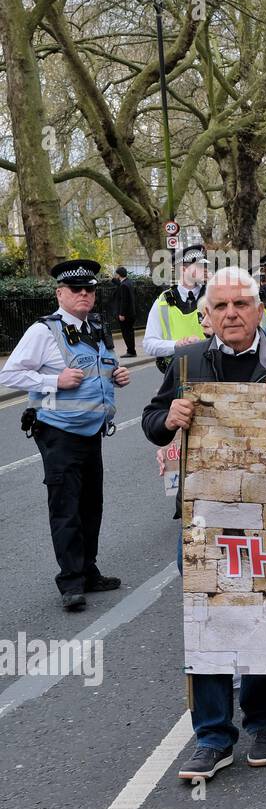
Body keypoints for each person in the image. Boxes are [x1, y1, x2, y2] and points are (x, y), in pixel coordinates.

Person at [141, 266, 266, 781]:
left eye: (240, 304)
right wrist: (168, 417)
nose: (231, 314)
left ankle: (263, 721)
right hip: (205, 519)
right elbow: (152, 423)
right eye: (220, 307)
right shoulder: (188, 360)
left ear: (259, 309)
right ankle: (213, 736)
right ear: (208, 315)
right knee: (208, 621)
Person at [1, 260, 130, 611]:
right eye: (77, 290)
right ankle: (71, 582)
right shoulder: (44, 331)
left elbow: (98, 368)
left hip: (91, 433)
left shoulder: (97, 327)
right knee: (66, 508)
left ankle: (88, 571)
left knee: (91, 506)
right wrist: (52, 381)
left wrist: (115, 376)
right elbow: (9, 373)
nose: (85, 295)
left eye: (90, 289)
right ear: (60, 293)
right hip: (58, 433)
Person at [143, 242, 208, 371]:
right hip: (176, 373)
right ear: (183, 269)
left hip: (209, 368)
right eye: (200, 266)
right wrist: (177, 344)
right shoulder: (162, 302)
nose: (205, 269)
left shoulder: (212, 296)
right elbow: (149, 344)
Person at [110, 267, 137, 357]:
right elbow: (120, 284)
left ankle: (131, 351)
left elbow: (124, 301)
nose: (115, 275)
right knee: (130, 332)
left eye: (116, 274)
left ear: (119, 274)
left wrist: (122, 314)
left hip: (125, 315)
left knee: (126, 333)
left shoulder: (124, 286)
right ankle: (132, 350)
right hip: (131, 313)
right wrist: (112, 280)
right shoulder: (128, 282)